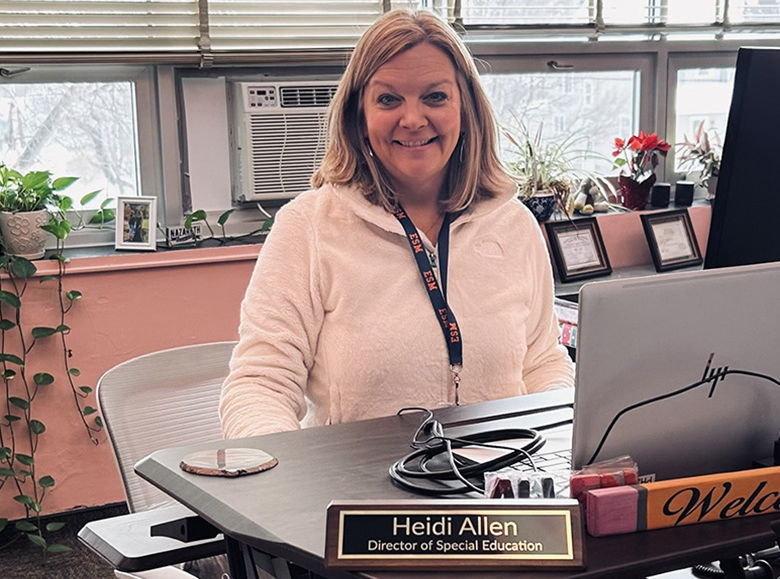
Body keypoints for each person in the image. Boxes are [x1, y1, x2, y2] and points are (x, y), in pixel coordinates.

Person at [220, 8, 574, 441]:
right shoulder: (307, 228)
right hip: (355, 498)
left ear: (466, 108)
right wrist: (281, 488)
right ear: (359, 116)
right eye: (388, 99)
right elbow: (261, 384)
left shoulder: (514, 225)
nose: (412, 119)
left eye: (435, 97)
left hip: (497, 489)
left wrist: (561, 449)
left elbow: (542, 363)